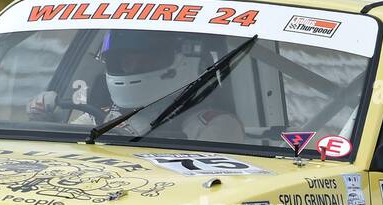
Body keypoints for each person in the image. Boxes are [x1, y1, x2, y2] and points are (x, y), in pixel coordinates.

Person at [27, 30, 246, 142]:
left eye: (145, 58)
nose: (132, 65)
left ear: (182, 60)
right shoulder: (101, 116)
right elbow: (71, 147)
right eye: (124, 59)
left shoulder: (214, 125)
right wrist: (46, 123)